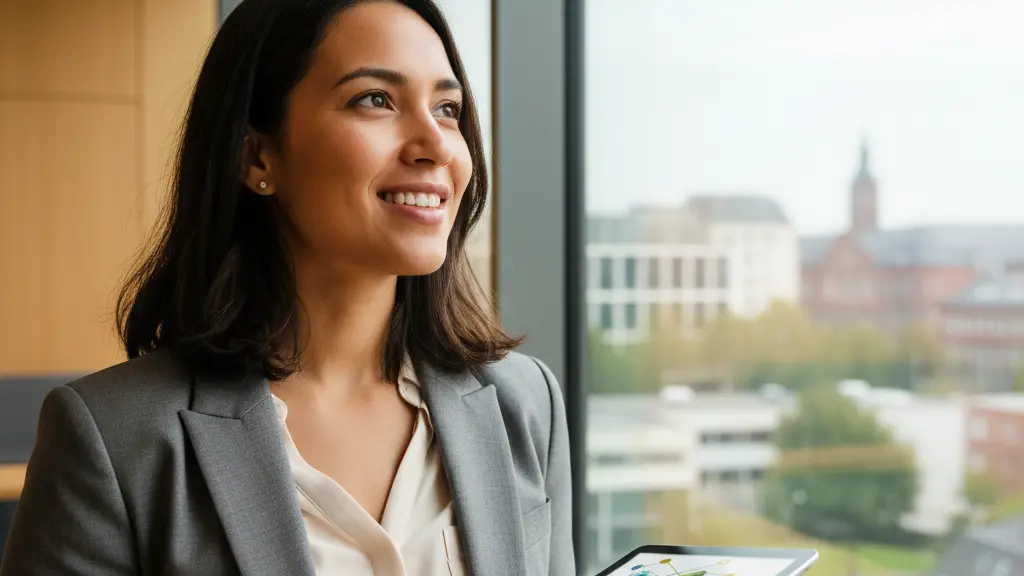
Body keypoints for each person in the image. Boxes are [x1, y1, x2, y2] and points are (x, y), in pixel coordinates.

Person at [0, 1, 573, 574]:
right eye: (375, 99)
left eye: (448, 109)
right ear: (258, 155)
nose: (436, 145)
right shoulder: (113, 438)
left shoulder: (523, 405)